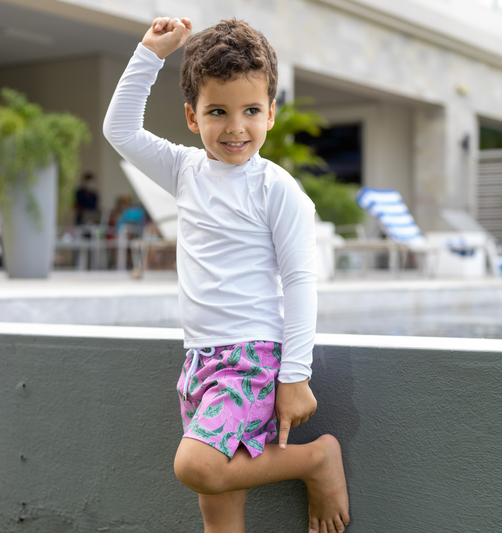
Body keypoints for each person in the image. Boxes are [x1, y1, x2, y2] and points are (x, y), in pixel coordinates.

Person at [103, 16, 350, 533]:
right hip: (199, 360)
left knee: (198, 466)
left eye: (251, 111)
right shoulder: (184, 170)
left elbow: (300, 281)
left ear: (271, 113)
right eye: (218, 111)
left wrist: (295, 374)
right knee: (218, 503)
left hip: (251, 358)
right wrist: (150, 52)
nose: (236, 126)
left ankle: (317, 460)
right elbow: (120, 130)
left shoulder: (276, 189)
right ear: (193, 117)